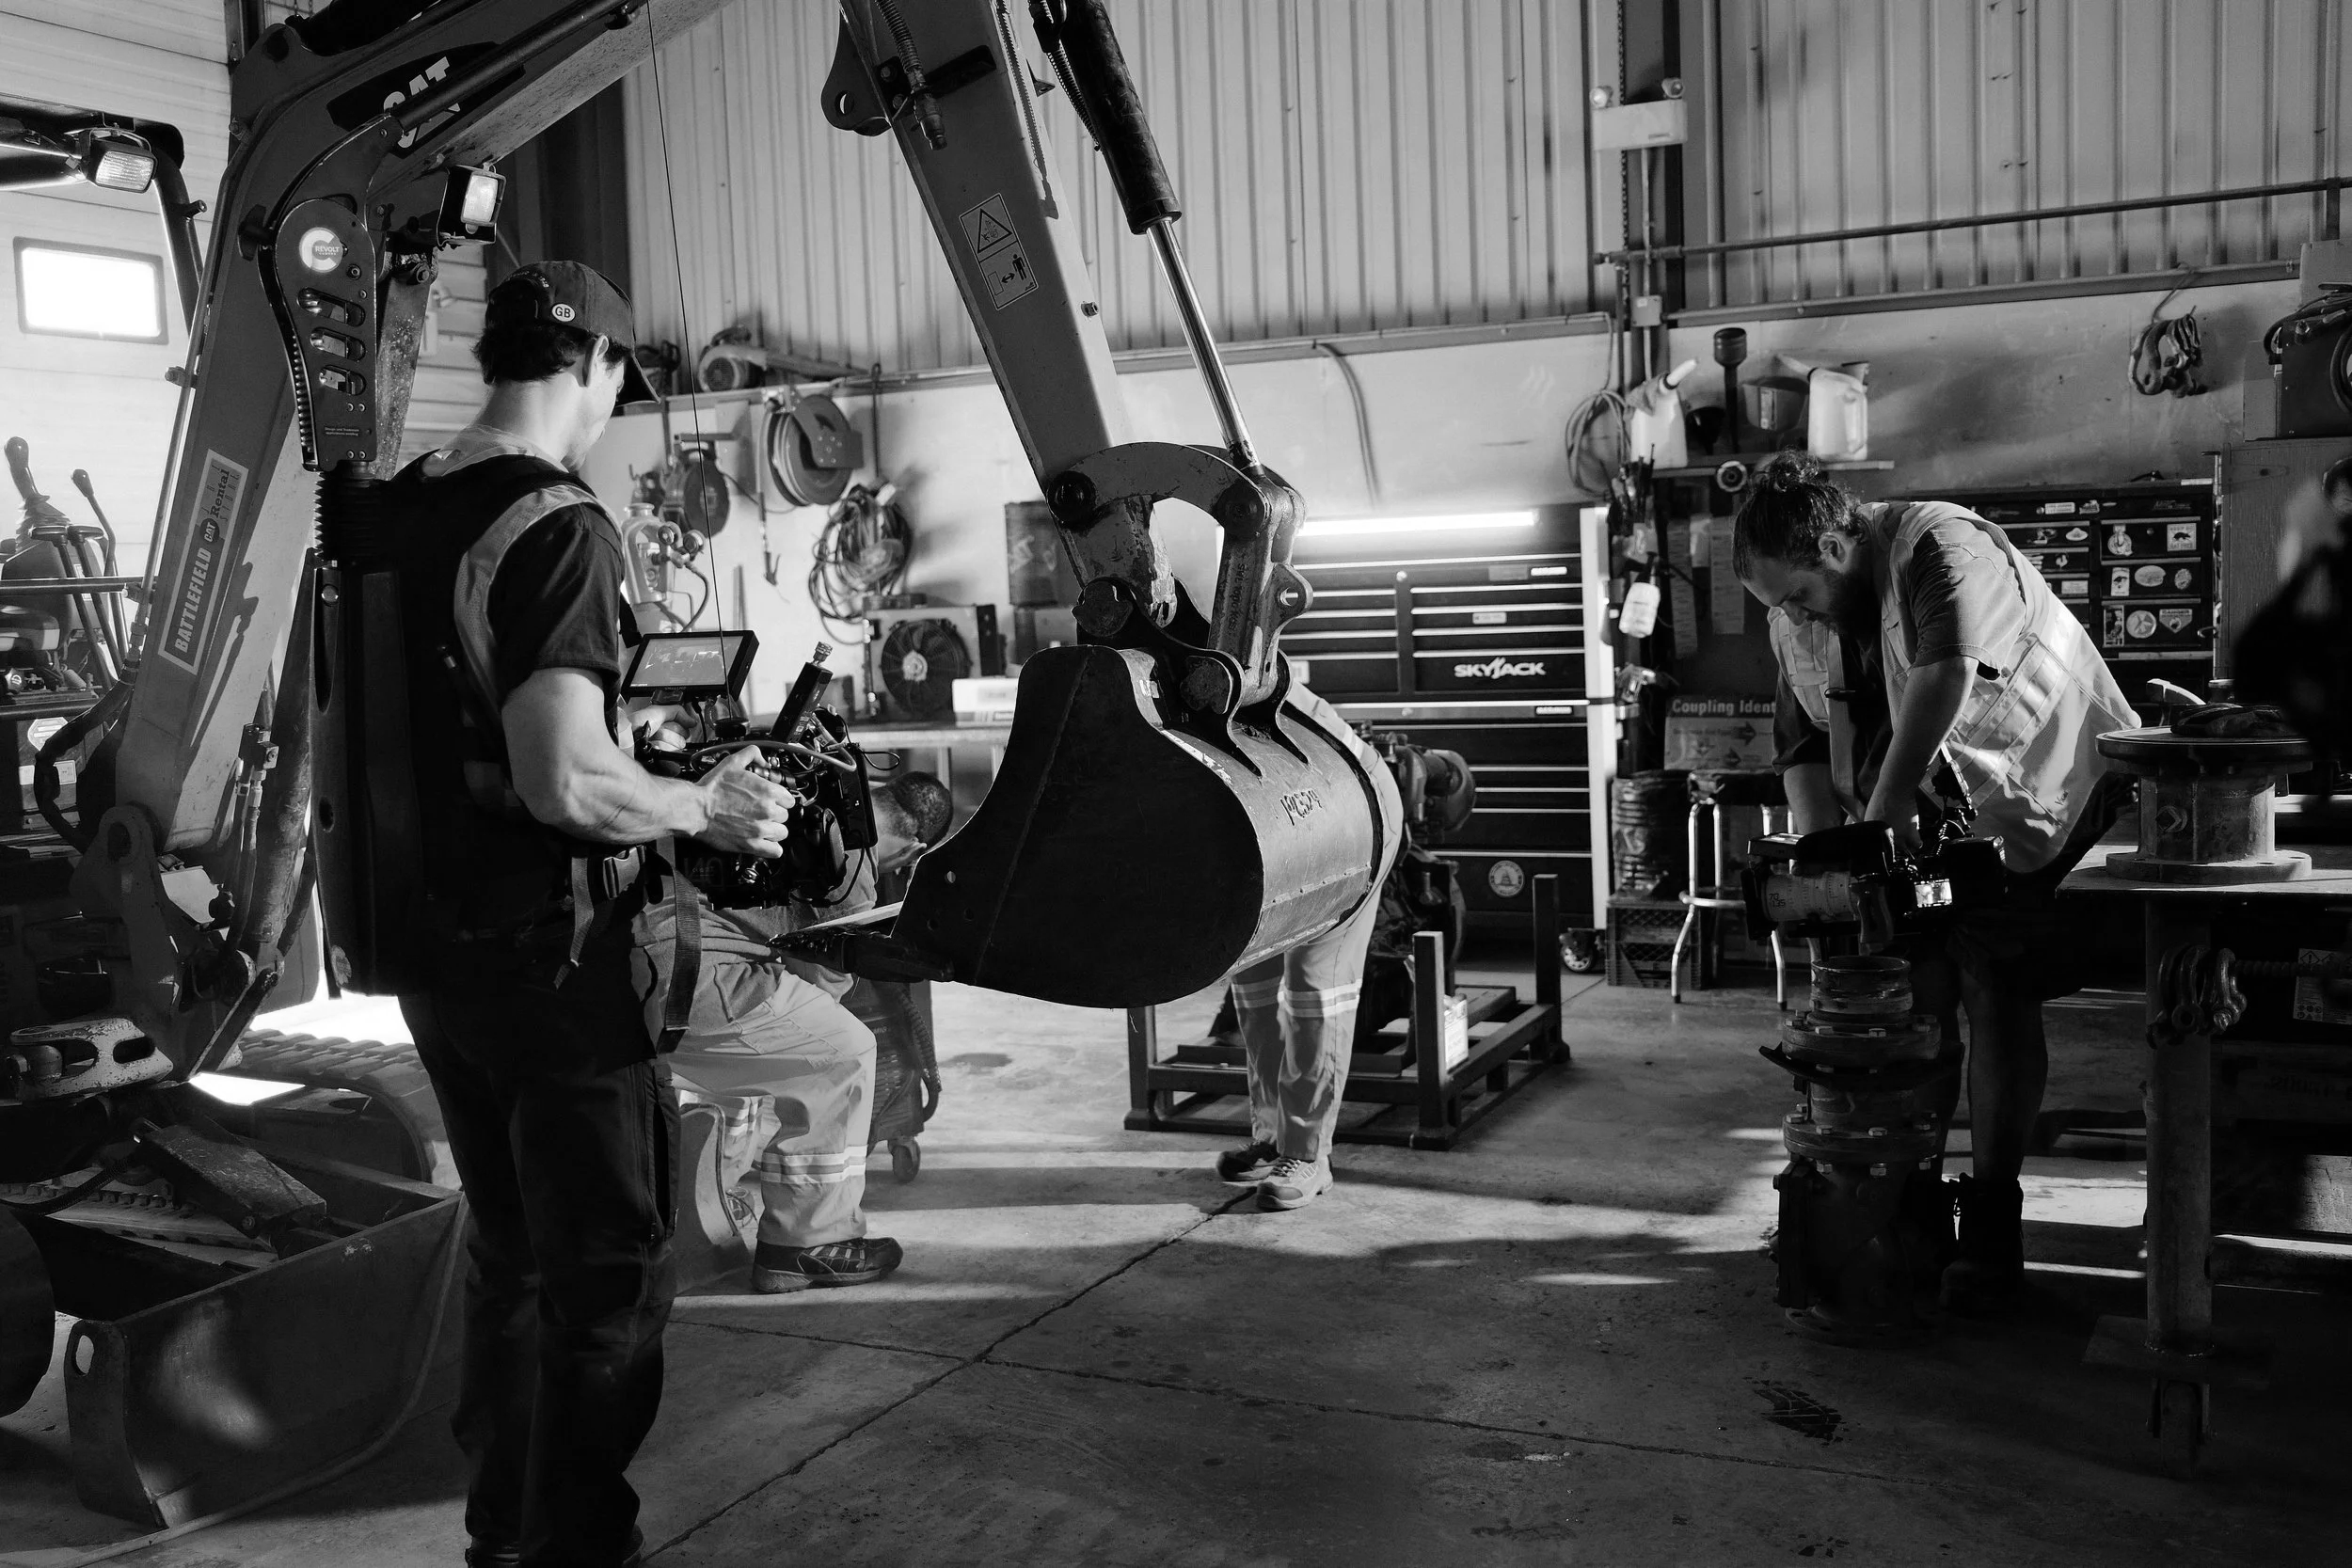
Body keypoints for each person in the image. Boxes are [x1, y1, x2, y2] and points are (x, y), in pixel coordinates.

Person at [385, 259, 802, 1568]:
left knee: (510, 1252)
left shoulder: (397, 507)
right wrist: (697, 808)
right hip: (555, 968)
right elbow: (562, 773)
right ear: (604, 371)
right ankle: (579, 1540)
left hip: (433, 957)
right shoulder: (557, 525)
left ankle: (501, 1534)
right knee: (611, 1276)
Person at [1734, 454, 2138, 1309]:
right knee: (1912, 1002)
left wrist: (1875, 823)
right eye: (1778, 604)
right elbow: (1802, 748)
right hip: (1930, 817)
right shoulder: (1794, 617)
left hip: (2050, 798)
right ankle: (1902, 1205)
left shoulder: (1940, 547)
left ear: (1839, 542)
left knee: (1997, 990)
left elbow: (1945, 670)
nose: (1792, 613)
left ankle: (1994, 1218)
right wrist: (1825, 866)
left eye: (1800, 592)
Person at [642, 770, 952, 1293]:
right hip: (694, 983)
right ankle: (808, 1242)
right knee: (841, 1052)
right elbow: (822, 979)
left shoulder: (788, 800)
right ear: (915, 848)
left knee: (777, 1049)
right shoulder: (853, 858)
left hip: (633, 966)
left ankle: (723, 1183)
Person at [1214, 677, 1406, 1210]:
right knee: (1253, 980)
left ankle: (1307, 1153)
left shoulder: (1225, 660)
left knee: (1313, 992)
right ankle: (1273, 1136)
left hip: (1344, 807)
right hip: (1265, 813)